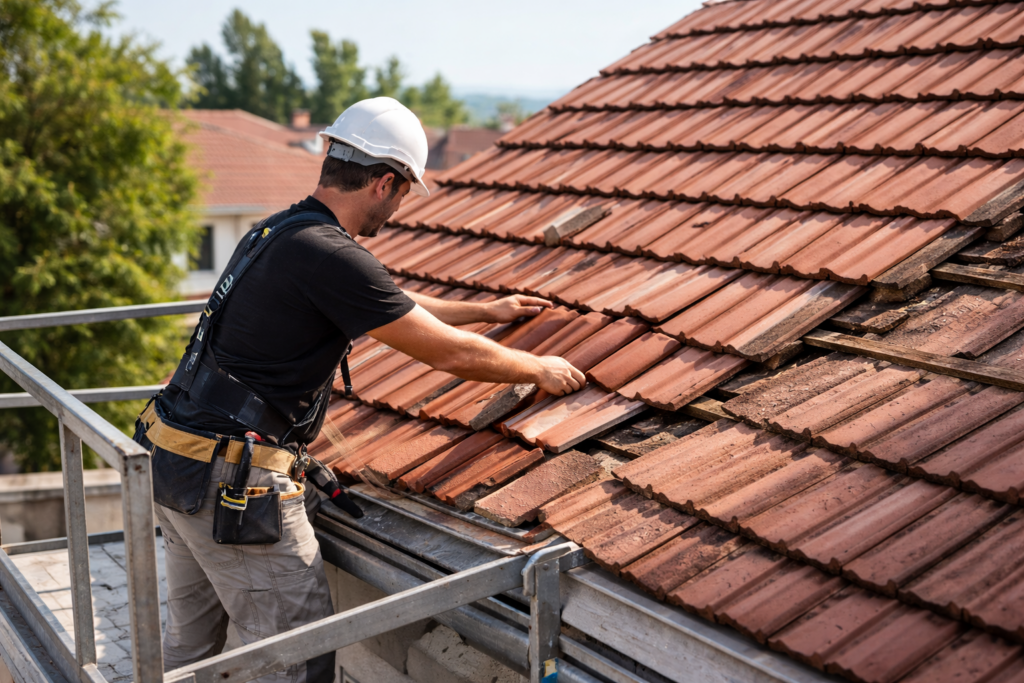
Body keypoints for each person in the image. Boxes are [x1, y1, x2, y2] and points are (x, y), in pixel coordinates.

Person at [132, 97, 585, 682]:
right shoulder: (331, 255)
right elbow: (442, 351)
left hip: (174, 455)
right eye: (400, 194)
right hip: (232, 482)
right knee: (301, 658)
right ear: (384, 183)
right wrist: (536, 368)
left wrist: (484, 309)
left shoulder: (282, 231)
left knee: (190, 651)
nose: (396, 209)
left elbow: (388, 302)